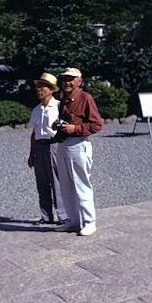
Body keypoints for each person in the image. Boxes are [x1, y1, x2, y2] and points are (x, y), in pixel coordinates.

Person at [54, 67, 103, 236]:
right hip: (64, 144)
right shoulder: (64, 99)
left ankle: (90, 222)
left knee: (82, 184)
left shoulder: (85, 98)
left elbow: (97, 124)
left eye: (71, 79)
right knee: (65, 185)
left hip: (79, 143)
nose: (66, 82)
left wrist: (75, 128)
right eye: (64, 78)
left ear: (79, 81)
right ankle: (73, 220)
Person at [28, 72, 67, 225]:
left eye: (43, 86)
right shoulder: (36, 109)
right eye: (38, 86)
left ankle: (63, 216)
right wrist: (31, 154)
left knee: (57, 182)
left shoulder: (58, 107)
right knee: (42, 183)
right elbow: (34, 133)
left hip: (54, 146)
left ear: (51, 89)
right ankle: (46, 216)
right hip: (40, 147)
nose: (39, 89)